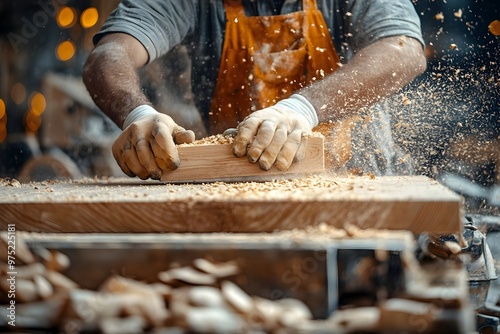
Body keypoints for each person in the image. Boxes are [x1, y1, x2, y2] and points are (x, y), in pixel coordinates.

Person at [83, 0, 426, 180]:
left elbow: (404, 50)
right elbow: (108, 54)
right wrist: (137, 113)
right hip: (236, 187)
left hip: (355, 181)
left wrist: (301, 110)